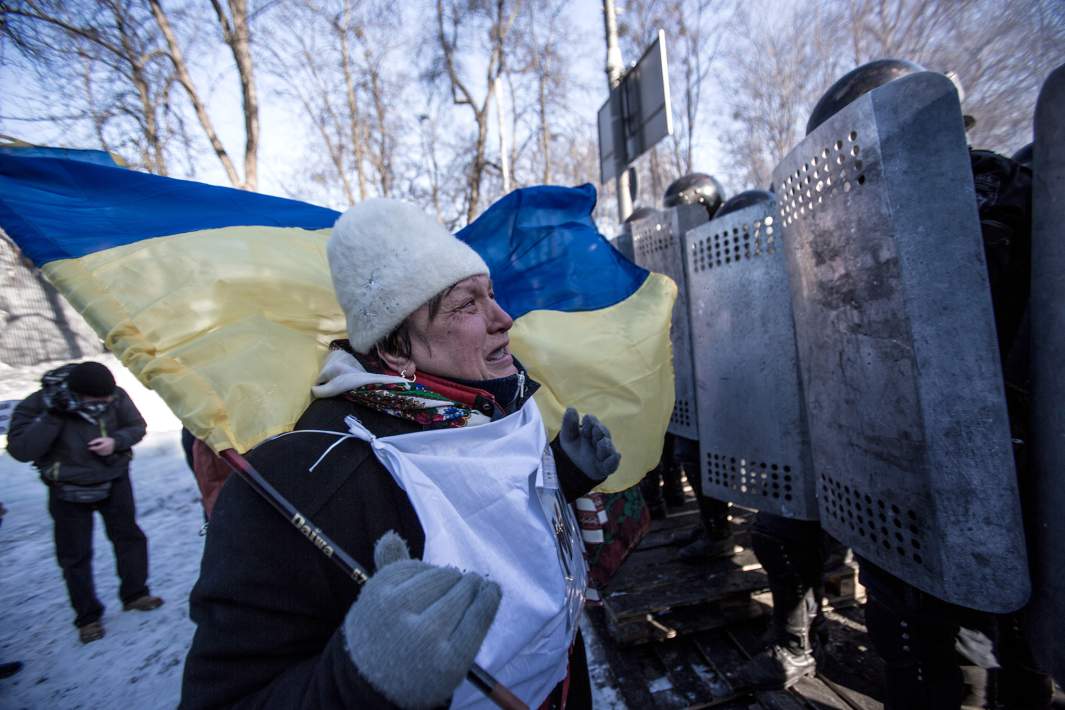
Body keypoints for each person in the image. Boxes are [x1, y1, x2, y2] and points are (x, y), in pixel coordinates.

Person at [180, 198, 620, 709]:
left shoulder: (485, 403)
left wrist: (562, 475)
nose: (504, 319)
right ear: (395, 350)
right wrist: (361, 679)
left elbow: (486, 515)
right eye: (466, 305)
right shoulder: (300, 482)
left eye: (491, 296)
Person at [800, 59, 1051, 709]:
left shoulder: (1001, 195)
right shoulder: (840, 231)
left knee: (994, 641)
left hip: (1000, 472)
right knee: (925, 629)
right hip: (909, 471)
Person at [6, 361, 163, 644]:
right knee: (74, 555)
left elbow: (137, 427)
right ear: (76, 393)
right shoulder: (41, 404)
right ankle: (87, 618)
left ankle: (136, 594)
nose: (106, 401)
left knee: (129, 537)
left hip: (114, 477)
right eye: (98, 399)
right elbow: (21, 450)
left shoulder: (115, 394)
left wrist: (115, 441)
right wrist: (53, 417)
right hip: (67, 489)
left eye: (108, 396)